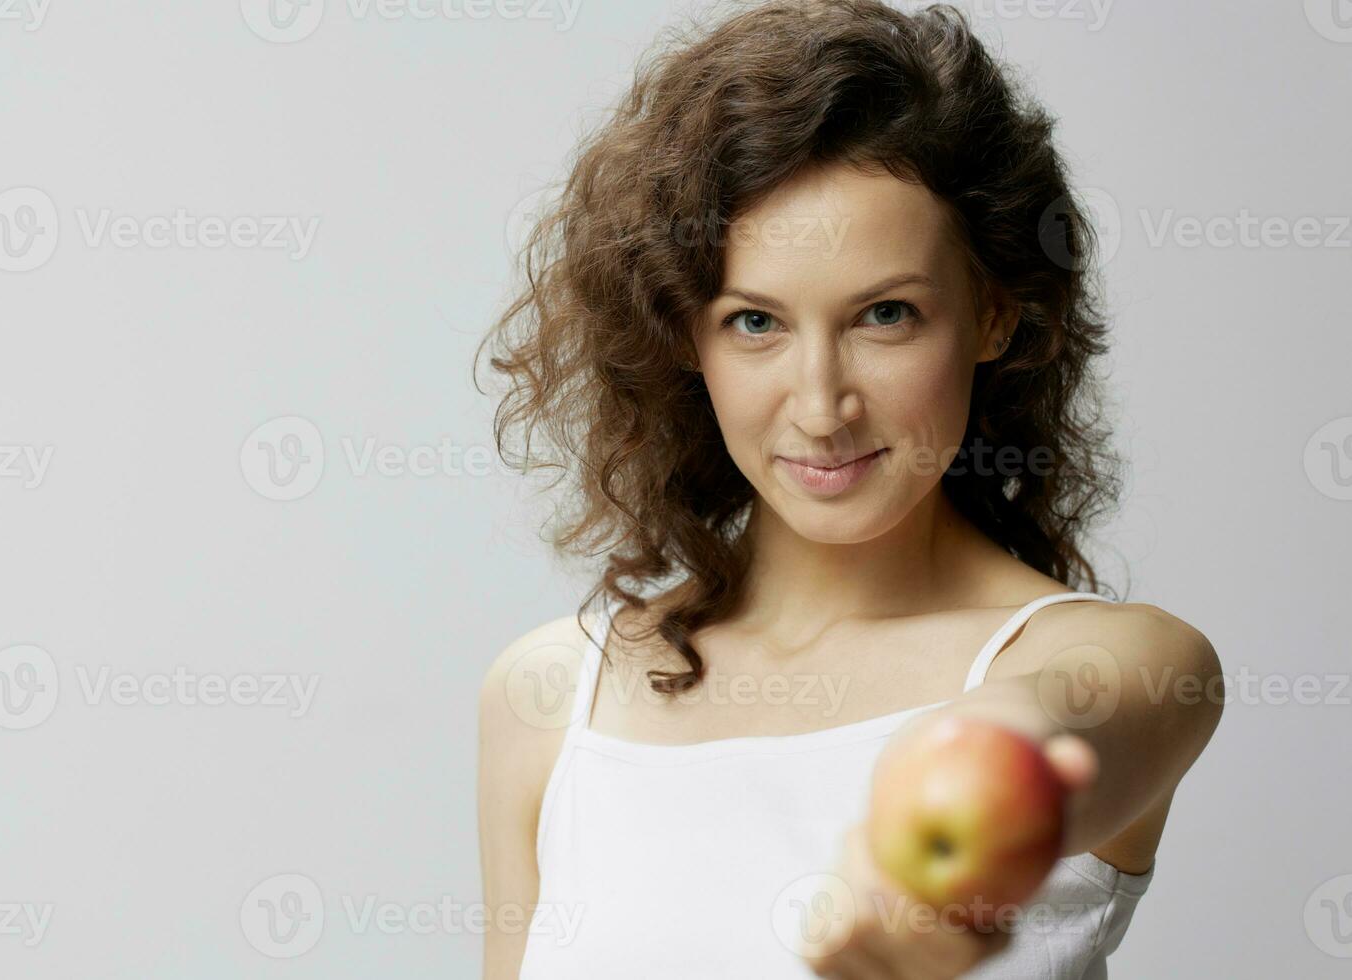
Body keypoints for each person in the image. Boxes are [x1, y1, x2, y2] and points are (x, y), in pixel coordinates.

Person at [474, 2, 1223, 977]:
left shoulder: (1132, 661)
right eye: (755, 322)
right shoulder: (547, 697)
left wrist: (948, 818)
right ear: (682, 335)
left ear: (994, 312)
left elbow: (1043, 722)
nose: (822, 405)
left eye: (885, 313)